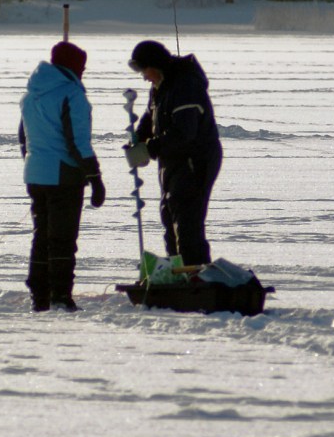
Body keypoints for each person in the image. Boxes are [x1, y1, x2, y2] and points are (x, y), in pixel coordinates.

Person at [18, 41, 106, 312]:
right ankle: (60, 296)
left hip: (35, 173)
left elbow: (24, 137)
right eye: (82, 67)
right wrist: (94, 175)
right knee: (62, 239)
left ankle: (40, 294)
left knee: (42, 235)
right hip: (64, 175)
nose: (84, 72)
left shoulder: (31, 94)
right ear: (74, 67)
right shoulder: (71, 94)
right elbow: (77, 140)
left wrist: (34, 164)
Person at [126, 40, 222, 266]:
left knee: (187, 221)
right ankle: (178, 273)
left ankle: (195, 277)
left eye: (143, 70)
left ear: (155, 65)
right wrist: (138, 141)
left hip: (194, 159)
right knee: (169, 216)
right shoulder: (161, 85)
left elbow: (184, 133)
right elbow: (151, 118)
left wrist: (150, 148)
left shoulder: (184, 86)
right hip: (173, 160)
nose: (143, 77)